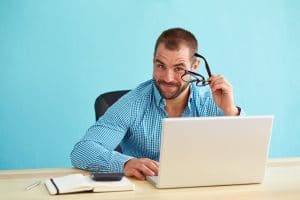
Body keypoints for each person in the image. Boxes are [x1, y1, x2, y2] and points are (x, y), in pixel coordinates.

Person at [71, 27, 242, 180]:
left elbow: (245, 157)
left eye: (178, 68)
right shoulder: (132, 104)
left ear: (195, 66)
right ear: (153, 61)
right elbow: (82, 151)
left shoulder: (210, 102)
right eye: (160, 65)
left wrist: (230, 111)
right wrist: (125, 163)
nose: (167, 78)